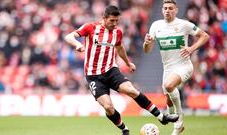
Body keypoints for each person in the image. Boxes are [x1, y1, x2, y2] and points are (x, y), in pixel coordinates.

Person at [65, 5, 179, 135]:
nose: (114, 24)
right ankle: (124, 129)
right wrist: (78, 44)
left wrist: (128, 63)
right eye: (111, 21)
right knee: (108, 107)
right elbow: (69, 36)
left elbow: (119, 48)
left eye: (116, 21)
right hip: (93, 76)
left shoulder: (117, 32)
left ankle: (161, 117)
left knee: (131, 90)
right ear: (104, 18)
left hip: (110, 70)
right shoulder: (90, 27)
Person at [143, 0, 210, 135]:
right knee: (168, 98)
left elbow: (205, 36)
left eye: (170, 8)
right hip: (167, 69)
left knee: (168, 86)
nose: (167, 10)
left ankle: (179, 123)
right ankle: (173, 116)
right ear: (162, 10)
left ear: (176, 10)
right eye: (165, 8)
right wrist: (146, 43)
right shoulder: (156, 25)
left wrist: (191, 48)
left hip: (184, 66)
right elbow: (147, 50)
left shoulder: (183, 24)